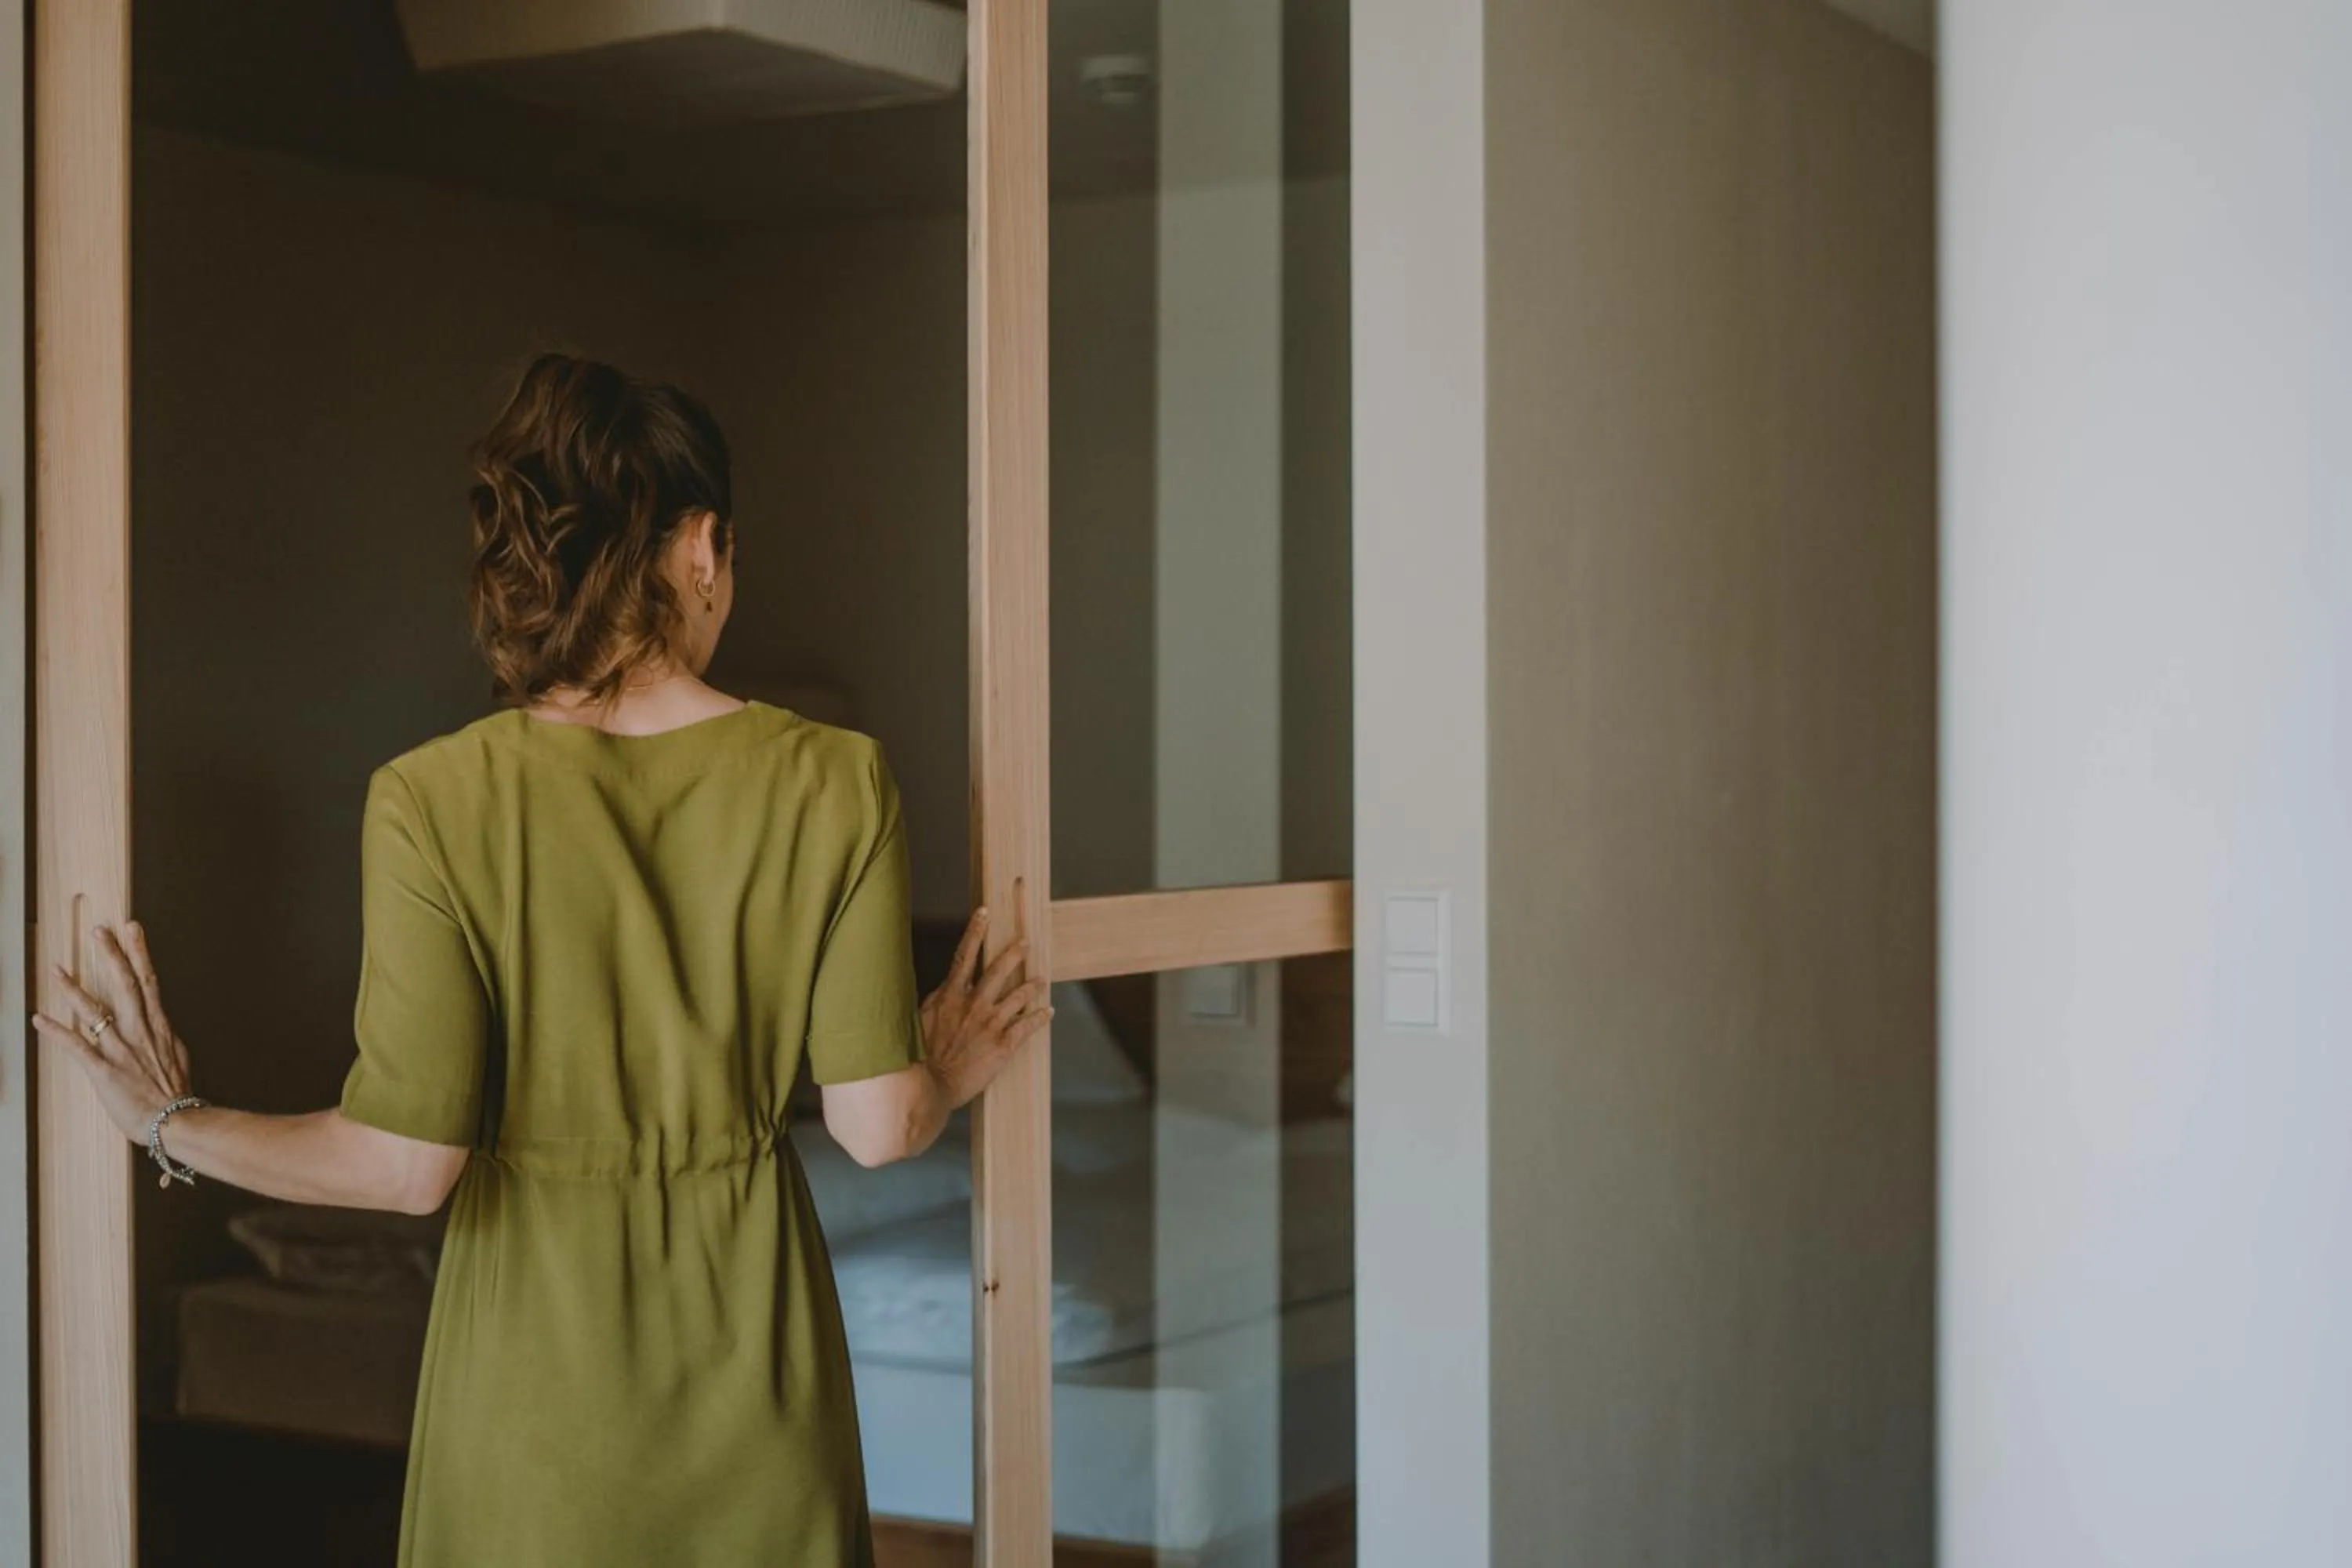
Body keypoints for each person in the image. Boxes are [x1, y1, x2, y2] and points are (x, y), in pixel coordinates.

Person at [33, 352, 1048, 1566]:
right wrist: (946, 1063)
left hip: (529, 1398)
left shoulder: (431, 798)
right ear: (702, 546)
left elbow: (405, 1167)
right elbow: (880, 1128)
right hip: (755, 1379)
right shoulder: (834, 777)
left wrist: (168, 1120)